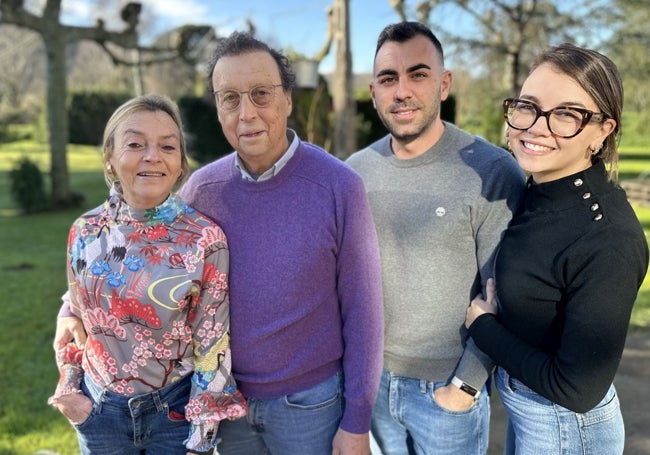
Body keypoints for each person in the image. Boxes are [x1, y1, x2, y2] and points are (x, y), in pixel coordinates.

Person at [346, 22, 525, 455]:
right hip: (371, 386)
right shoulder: (353, 172)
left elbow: (505, 294)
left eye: (418, 74)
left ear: (444, 84)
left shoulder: (492, 171)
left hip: (445, 393)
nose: (402, 90)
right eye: (389, 78)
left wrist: (464, 388)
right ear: (373, 92)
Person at [465, 43, 649, 454]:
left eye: (566, 114)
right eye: (528, 106)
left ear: (604, 130)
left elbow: (577, 388)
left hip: (567, 430)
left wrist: (483, 327)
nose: (536, 127)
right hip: (528, 411)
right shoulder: (540, 188)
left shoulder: (608, 239)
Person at [49, 94, 247, 454]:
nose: (152, 155)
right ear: (110, 157)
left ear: (180, 164)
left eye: (167, 146)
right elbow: (75, 317)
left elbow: (212, 346)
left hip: (173, 415)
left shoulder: (204, 240)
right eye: (135, 144)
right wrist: (70, 393)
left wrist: (200, 440)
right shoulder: (84, 231)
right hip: (99, 414)